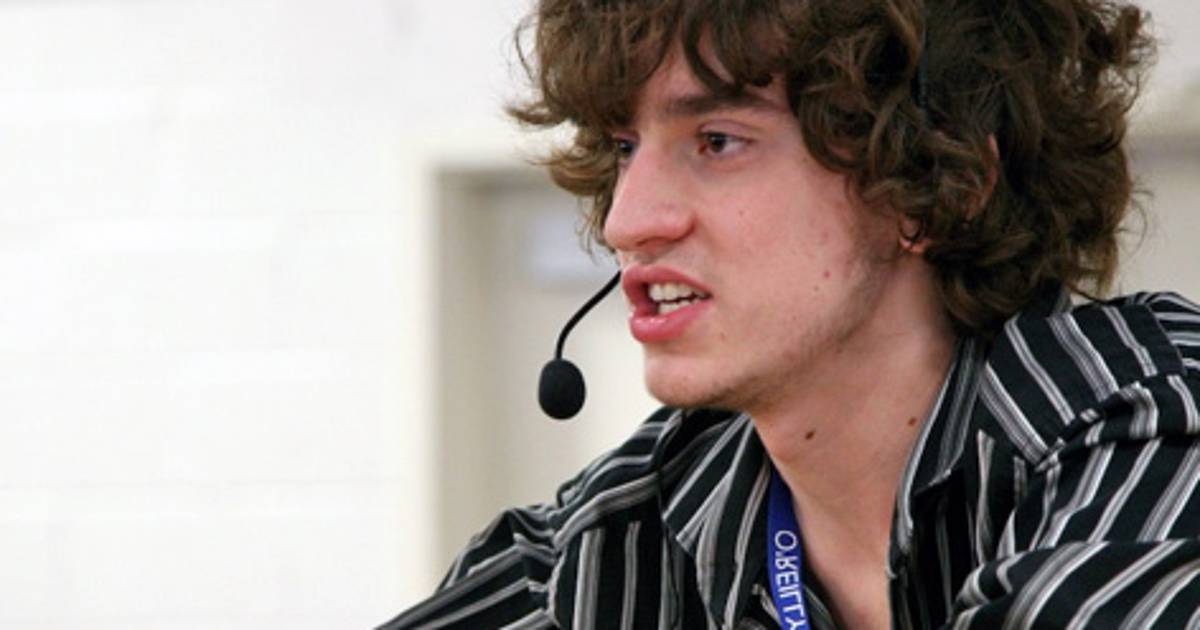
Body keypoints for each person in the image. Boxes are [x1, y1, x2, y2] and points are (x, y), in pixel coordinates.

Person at [381, 0, 1200, 627]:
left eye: (716, 141)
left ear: (934, 186)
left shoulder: (1150, 417)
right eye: (626, 147)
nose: (628, 220)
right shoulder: (609, 547)